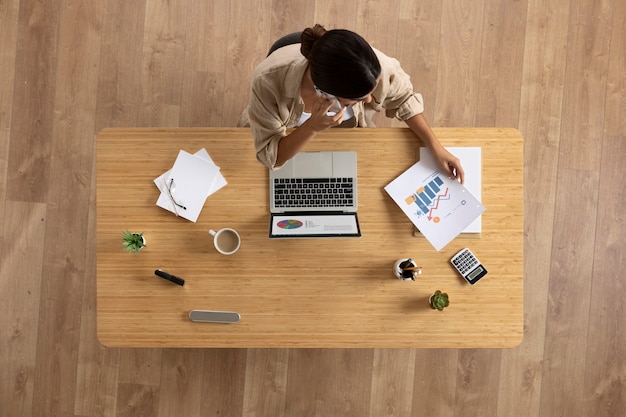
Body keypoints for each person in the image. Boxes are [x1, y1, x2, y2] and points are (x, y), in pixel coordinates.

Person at [238, 24, 464, 183]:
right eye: (357, 98)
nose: (368, 100)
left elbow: (404, 99)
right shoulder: (267, 82)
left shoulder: (375, 67)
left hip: (347, 138)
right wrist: (312, 127)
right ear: (324, 92)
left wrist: (436, 148)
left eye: (370, 91)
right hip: (286, 139)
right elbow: (269, 154)